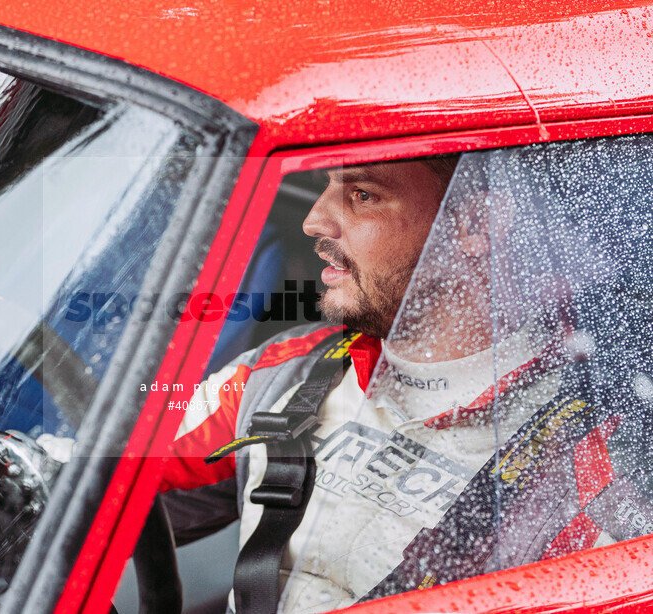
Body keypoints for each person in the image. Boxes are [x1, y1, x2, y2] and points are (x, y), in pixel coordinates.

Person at [158, 155, 597, 613]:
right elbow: (100, 480)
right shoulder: (286, 369)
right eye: (325, 186)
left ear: (474, 224)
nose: (313, 221)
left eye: (362, 195)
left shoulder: (590, 448)